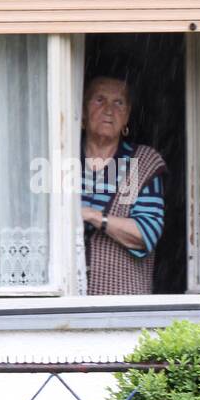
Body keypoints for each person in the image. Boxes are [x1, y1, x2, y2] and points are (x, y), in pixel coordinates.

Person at [79, 73, 166, 295]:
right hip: (63, 304)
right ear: (82, 111)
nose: (109, 110)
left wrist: (92, 215)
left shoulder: (142, 162)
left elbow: (146, 233)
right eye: (99, 99)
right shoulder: (60, 157)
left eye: (119, 102)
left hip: (121, 304)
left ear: (127, 116)